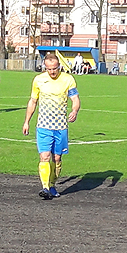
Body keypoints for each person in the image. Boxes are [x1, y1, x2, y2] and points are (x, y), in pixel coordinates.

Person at [22, 53, 80, 200]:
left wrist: (75, 110)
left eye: (54, 68)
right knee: (44, 156)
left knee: (57, 158)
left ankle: (52, 185)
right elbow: (33, 101)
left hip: (60, 126)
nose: (52, 72)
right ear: (45, 67)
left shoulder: (68, 79)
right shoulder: (39, 80)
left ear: (59, 66)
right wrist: (26, 121)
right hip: (43, 125)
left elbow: (75, 98)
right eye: (49, 69)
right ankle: (45, 187)